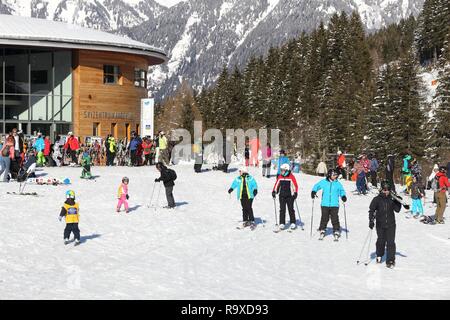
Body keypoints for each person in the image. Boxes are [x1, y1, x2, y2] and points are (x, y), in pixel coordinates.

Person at [368, 180, 405, 268]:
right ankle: (379, 254)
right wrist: (371, 220)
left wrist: (398, 201)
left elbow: (397, 210)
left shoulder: (392, 199)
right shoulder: (376, 199)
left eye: (388, 189)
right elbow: (372, 210)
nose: (386, 191)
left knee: (390, 242)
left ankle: (390, 260)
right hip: (380, 225)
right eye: (384, 190)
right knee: (381, 241)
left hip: (391, 225)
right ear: (381, 189)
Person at [311, 169, 347, 240]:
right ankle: (322, 229)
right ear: (330, 175)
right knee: (324, 217)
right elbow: (317, 185)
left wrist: (343, 196)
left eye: (336, 175)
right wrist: (314, 191)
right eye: (334, 175)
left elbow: (341, 191)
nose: (335, 176)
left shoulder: (337, 183)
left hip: (334, 204)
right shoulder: (324, 182)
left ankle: (336, 230)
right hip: (325, 204)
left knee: (335, 218)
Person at [272, 163, 299, 231]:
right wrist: (274, 191)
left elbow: (295, 185)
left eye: (283, 170)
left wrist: (295, 193)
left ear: (286, 170)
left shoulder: (291, 176)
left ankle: (293, 222)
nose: (281, 171)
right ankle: (282, 223)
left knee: (290, 209)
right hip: (282, 196)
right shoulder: (280, 176)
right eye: (281, 170)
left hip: (290, 196)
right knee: (282, 209)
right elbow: (277, 184)